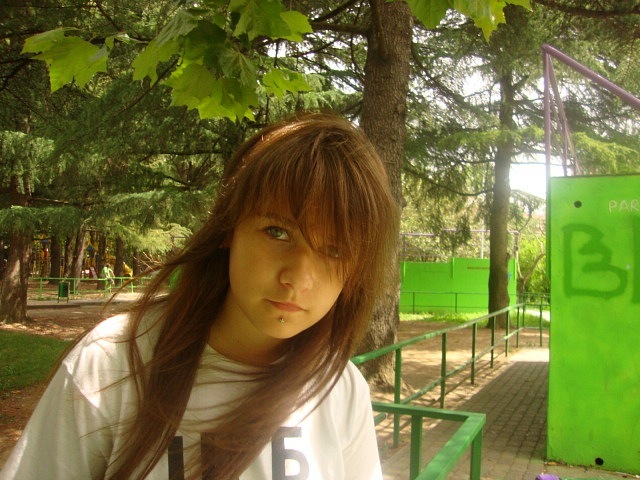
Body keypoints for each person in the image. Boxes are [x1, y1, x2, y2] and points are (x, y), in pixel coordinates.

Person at [0, 112, 399, 479]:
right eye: (278, 232)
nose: (298, 279)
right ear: (230, 227)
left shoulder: (340, 388)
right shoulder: (112, 362)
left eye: (334, 251)